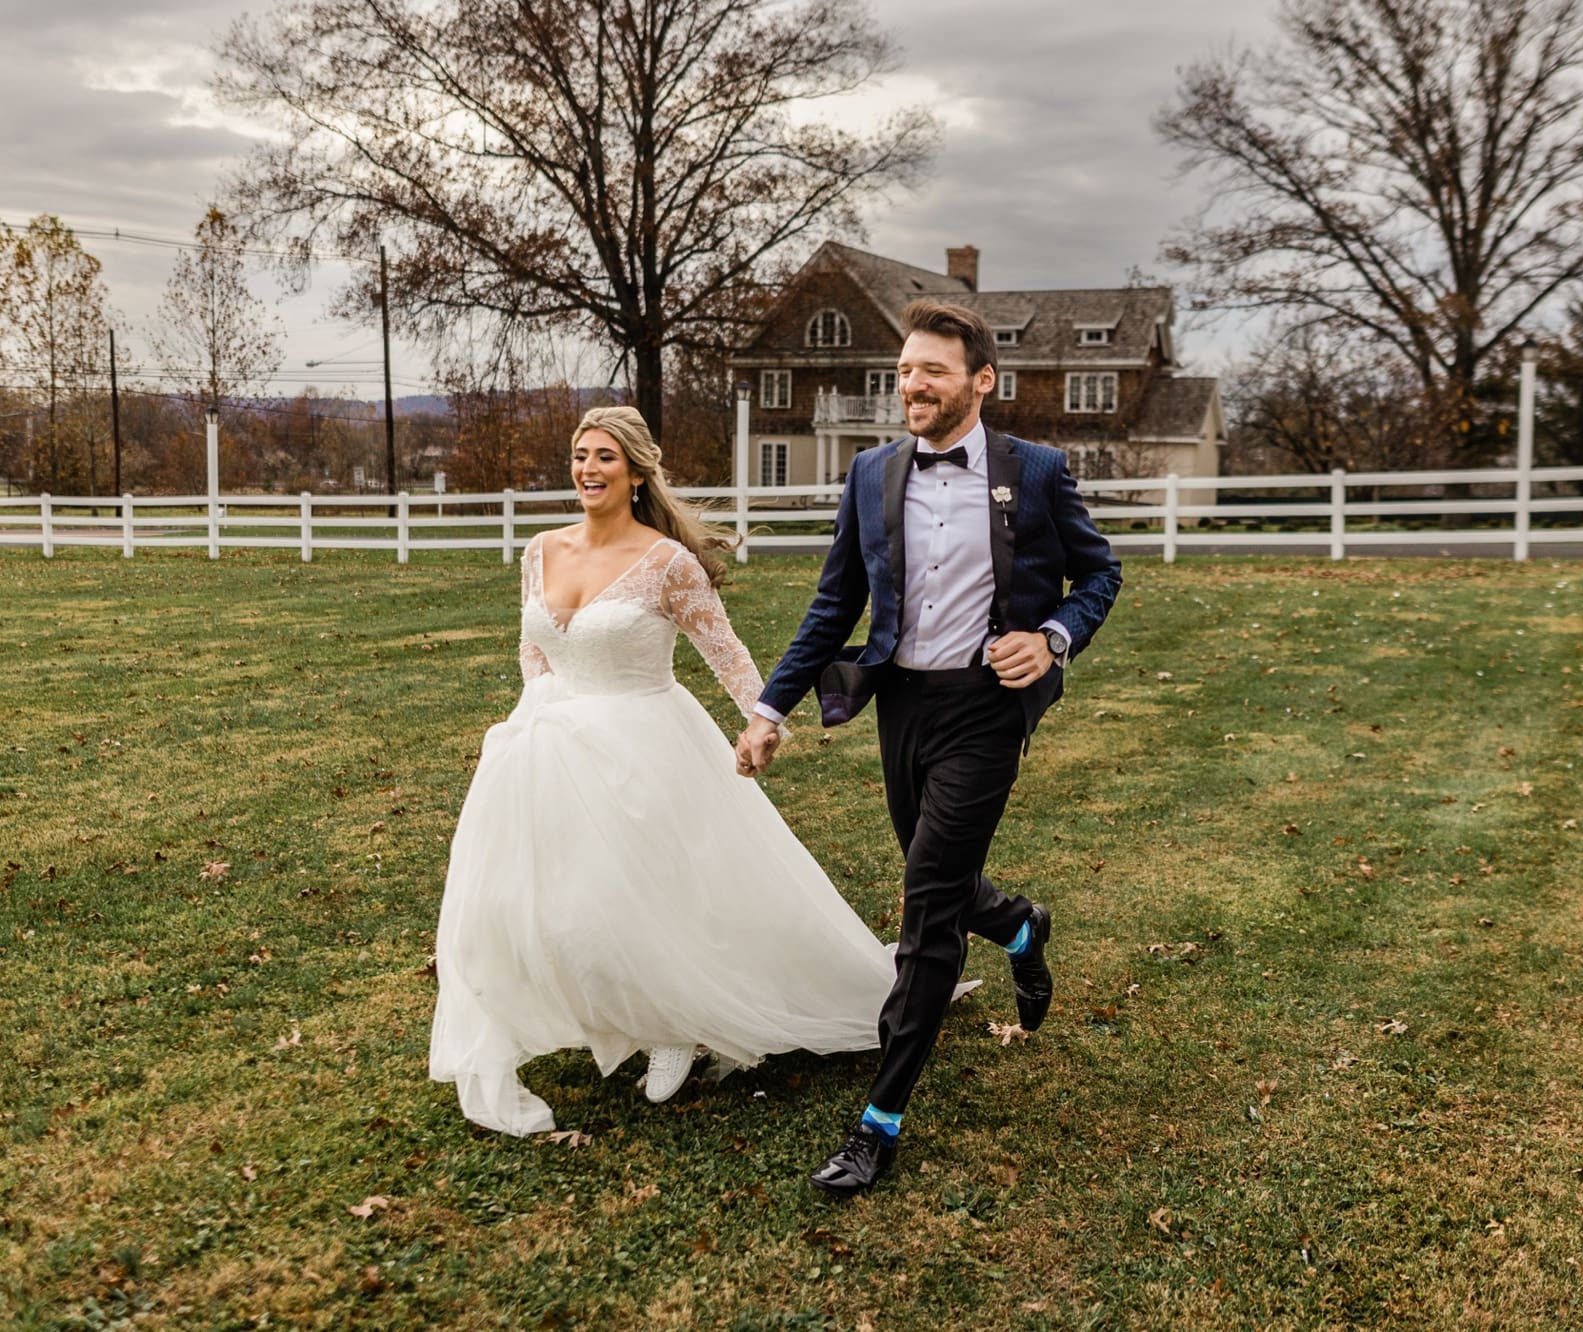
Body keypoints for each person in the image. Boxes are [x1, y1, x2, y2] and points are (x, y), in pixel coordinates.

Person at [428, 405, 918, 1136]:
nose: (588, 469)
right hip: (546, 747)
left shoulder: (667, 563)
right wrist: (537, 714)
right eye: (581, 455)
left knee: (648, 893)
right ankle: (610, 1011)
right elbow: (534, 648)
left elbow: (726, 651)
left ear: (634, 472)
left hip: (645, 744)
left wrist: (762, 720)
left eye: (604, 457)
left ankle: (673, 1025)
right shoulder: (541, 550)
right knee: (550, 902)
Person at [735, 298, 1122, 1196]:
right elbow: (836, 601)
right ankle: (1019, 925)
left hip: (988, 709)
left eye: (932, 371)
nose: (912, 384)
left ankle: (878, 1123)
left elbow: (1099, 571)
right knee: (931, 868)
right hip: (901, 706)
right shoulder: (871, 472)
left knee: (927, 910)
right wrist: (769, 709)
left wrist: (1054, 637)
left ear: (981, 381)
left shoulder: (1036, 471)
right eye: (905, 370)